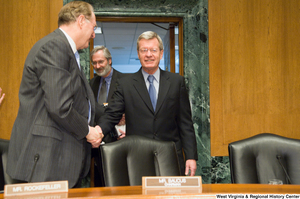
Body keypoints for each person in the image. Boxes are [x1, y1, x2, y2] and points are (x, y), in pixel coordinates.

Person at [7, 1, 103, 188]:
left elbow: (79, 101)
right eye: (94, 27)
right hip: (47, 161)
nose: (93, 34)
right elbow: (60, 107)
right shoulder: (55, 46)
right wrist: (88, 131)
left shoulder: (66, 50)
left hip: (57, 160)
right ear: (81, 20)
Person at [98, 31, 198, 176]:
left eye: (153, 50)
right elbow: (112, 114)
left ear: (161, 53)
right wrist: (98, 131)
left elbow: (185, 123)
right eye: (144, 50)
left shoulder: (177, 82)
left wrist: (190, 156)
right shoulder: (125, 84)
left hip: (171, 157)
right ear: (138, 54)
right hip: (137, 158)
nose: (149, 54)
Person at [89, 46, 127, 186]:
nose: (97, 66)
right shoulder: (91, 84)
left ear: (109, 61)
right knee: (101, 183)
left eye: (101, 61)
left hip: (119, 141)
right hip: (98, 144)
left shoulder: (125, 80)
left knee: (119, 184)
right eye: (94, 63)